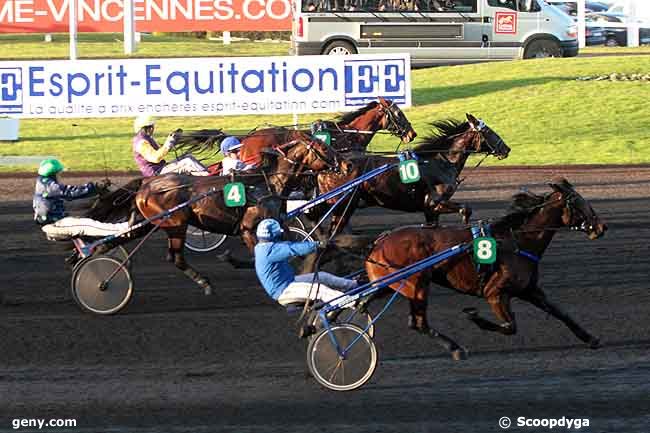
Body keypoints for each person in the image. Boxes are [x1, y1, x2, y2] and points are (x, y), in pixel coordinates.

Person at [254, 218, 358, 306]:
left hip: (289, 281)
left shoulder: (262, 247)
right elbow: (293, 248)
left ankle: (353, 285)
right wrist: (318, 244)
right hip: (284, 291)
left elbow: (288, 245)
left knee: (322, 276)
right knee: (319, 289)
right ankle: (352, 302)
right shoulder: (271, 250)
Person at [33, 159, 130, 239]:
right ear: (53, 174)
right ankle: (125, 228)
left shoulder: (43, 182)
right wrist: (94, 186)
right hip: (54, 225)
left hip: (56, 221)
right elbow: (71, 193)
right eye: (59, 174)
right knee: (87, 225)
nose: (60, 177)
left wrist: (95, 189)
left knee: (89, 209)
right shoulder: (49, 186)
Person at [132, 115, 208, 177]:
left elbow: (161, 150)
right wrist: (168, 143)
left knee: (188, 156)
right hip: (156, 173)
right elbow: (155, 158)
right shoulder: (141, 142)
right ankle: (209, 179)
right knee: (188, 162)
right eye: (152, 126)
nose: (153, 128)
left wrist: (171, 141)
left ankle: (204, 175)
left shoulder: (147, 138)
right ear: (149, 127)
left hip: (160, 168)